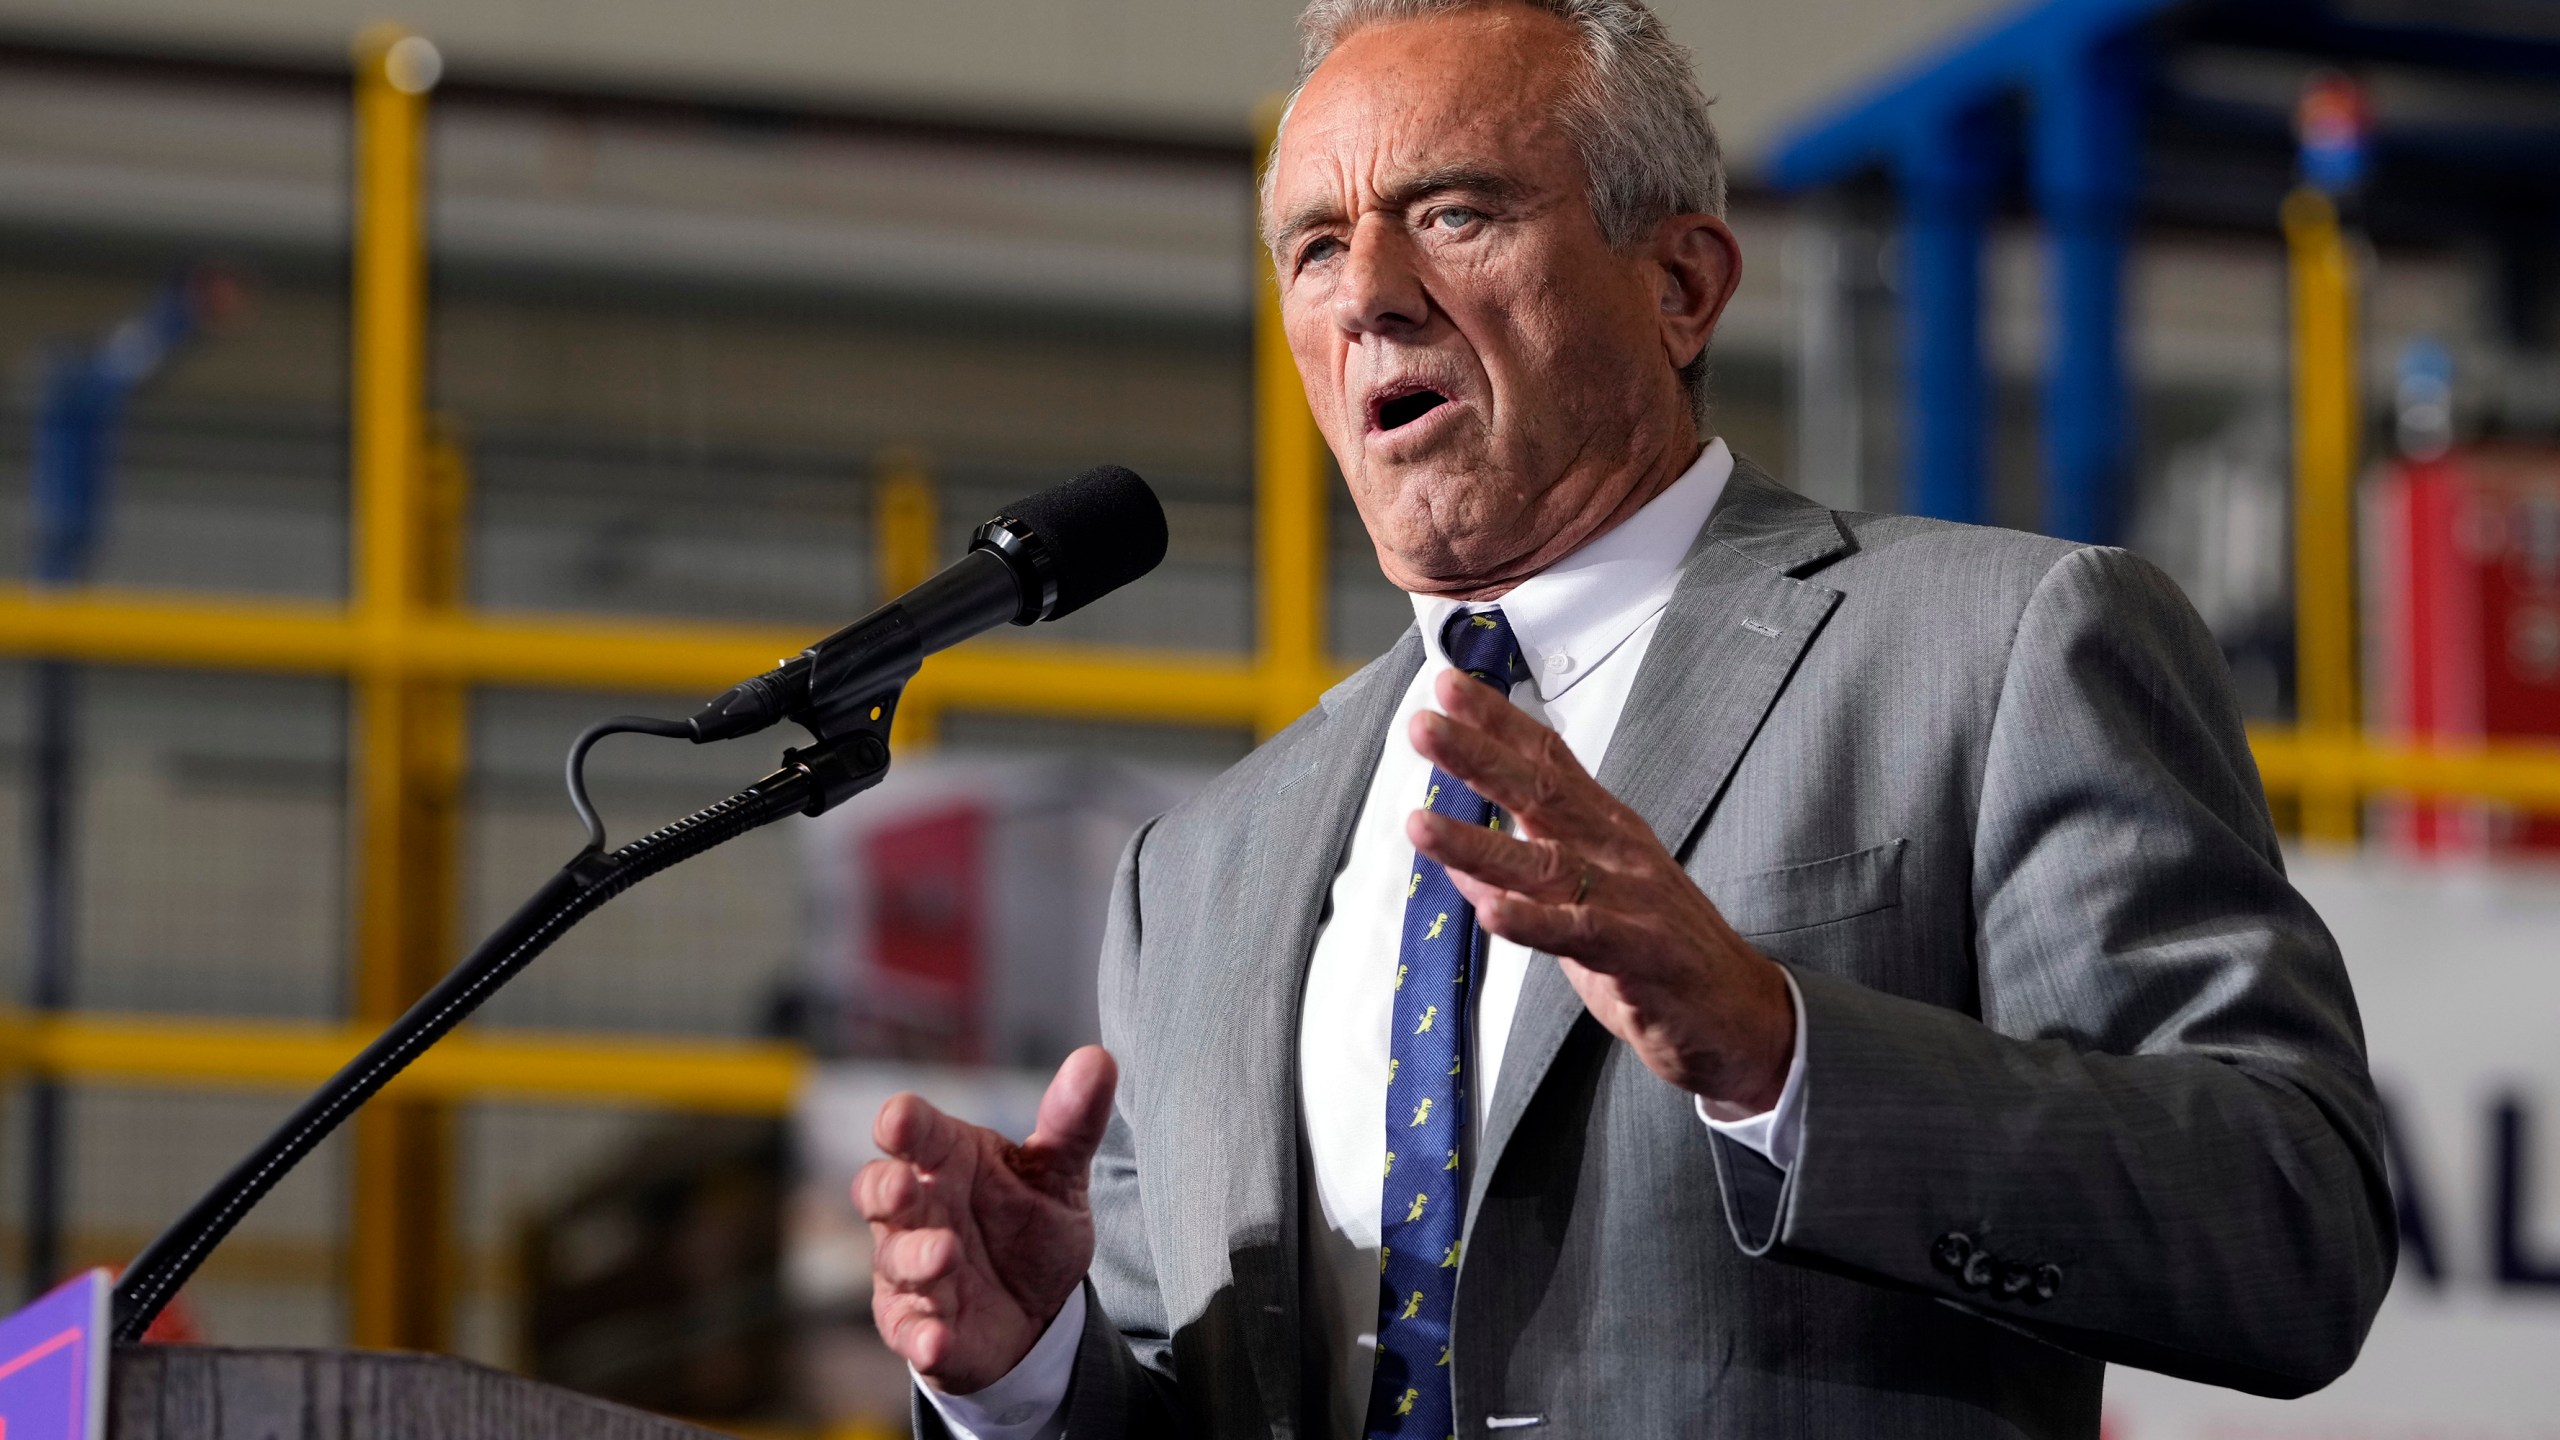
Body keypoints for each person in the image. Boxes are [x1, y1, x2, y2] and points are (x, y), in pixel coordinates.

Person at [857, 1, 2397, 1435]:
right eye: (1315, 247)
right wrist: (1031, 1372)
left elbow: (2289, 1225)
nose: (1373, 293)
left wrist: (1777, 1050)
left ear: (1680, 285)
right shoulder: (1196, 873)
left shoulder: (1999, 650)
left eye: (1453, 214)